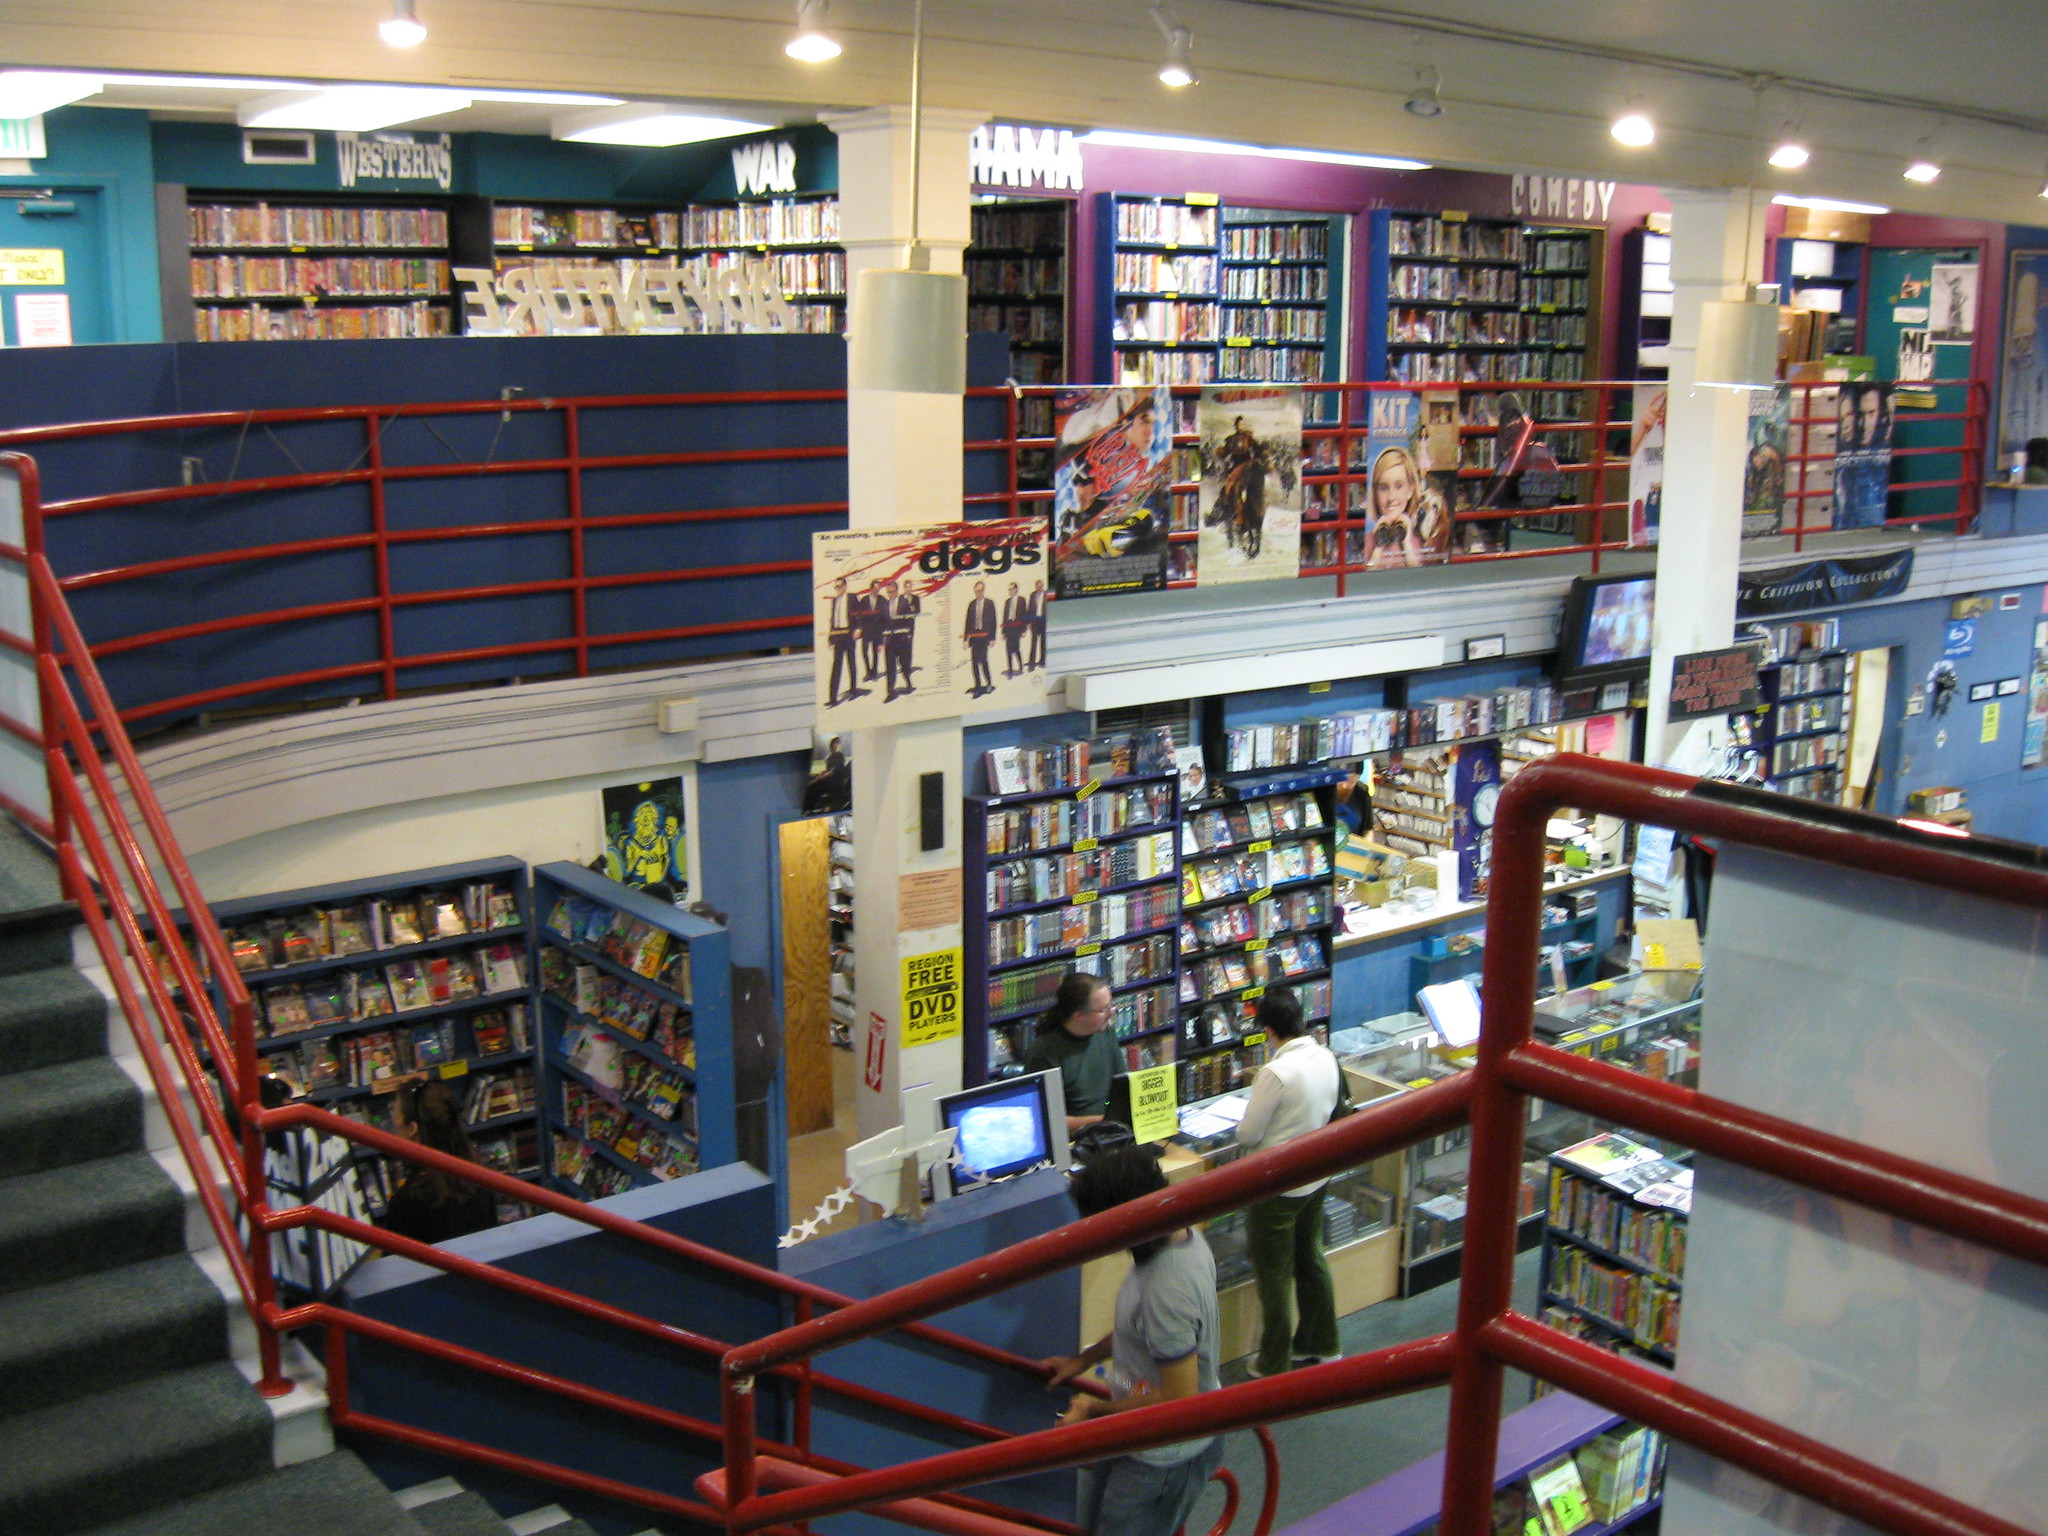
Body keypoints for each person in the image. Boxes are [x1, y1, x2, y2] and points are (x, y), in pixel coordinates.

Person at [1040, 1145, 1225, 1536]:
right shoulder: (1178, 1238)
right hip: (1135, 1433)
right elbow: (1142, 1329)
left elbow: (1179, 1398)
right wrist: (1085, 1359)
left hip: (1162, 1459)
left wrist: (1092, 1412)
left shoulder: (1167, 1288)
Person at [1233, 988, 1342, 1378]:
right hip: (1316, 1175)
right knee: (1310, 1255)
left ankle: (1273, 1359)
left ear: (1267, 1031)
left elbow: (1247, 1135)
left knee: (1273, 1273)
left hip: (1276, 1186)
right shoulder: (1326, 1056)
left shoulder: (1275, 1073)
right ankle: (1322, 1342)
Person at [380, 1079, 498, 1246]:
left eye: (395, 1113)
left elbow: (396, 1267)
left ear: (412, 1129)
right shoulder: (480, 1178)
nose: (392, 1121)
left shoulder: (406, 1203)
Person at [1021, 971, 1120, 1133]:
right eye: (1103, 1009)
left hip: (1111, 1127)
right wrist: (1103, 1120)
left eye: (1110, 1005)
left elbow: (1118, 1088)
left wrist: (1111, 1110)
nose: (1111, 1012)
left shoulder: (1105, 1033)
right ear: (1079, 1015)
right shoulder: (1044, 1052)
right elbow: (1047, 1118)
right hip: (1076, 1139)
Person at [1365, 444, 1426, 569]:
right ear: (1375, 493)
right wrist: (1379, 544)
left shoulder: (1417, 540)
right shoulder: (1369, 540)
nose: (1391, 497)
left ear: (1410, 490)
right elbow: (1367, 574)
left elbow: (1419, 574)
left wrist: (1406, 541)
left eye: (1399, 486)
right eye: (1384, 488)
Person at [824, 576, 865, 706]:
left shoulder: (852, 598)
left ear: (845, 586)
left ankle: (853, 690)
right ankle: (833, 697)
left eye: (840, 586)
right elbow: (833, 620)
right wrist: (831, 637)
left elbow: (860, 614)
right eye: (836, 587)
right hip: (838, 635)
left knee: (851, 662)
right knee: (837, 665)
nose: (838, 589)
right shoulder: (835, 601)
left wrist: (859, 629)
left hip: (849, 633)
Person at [884, 579, 921, 700]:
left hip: (902, 639)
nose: (890, 594)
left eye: (892, 592)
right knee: (890, 666)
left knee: (904, 664)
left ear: (897, 590)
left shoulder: (904, 602)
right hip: (890, 640)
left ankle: (908, 682)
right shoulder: (885, 605)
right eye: (888, 592)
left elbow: (910, 619)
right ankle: (890, 691)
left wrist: (909, 634)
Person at [962, 579, 998, 697]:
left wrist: (992, 638)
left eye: (981, 590)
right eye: (977, 591)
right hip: (974, 637)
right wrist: (965, 640)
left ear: (984, 590)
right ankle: (977, 685)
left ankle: (988, 683)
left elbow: (993, 621)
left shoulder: (989, 603)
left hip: (985, 637)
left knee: (983, 661)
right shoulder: (972, 604)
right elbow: (968, 623)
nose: (979, 593)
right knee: (974, 662)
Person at [1001, 580, 1029, 676]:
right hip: (1009, 627)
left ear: (1016, 589)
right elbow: (1005, 616)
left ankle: (1020, 666)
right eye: (1009, 589)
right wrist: (1003, 632)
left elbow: (1025, 615)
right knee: (1008, 649)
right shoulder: (1007, 601)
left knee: (1016, 648)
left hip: (1017, 628)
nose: (1010, 591)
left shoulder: (1021, 600)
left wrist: (1024, 629)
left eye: (1012, 589)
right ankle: (1010, 669)